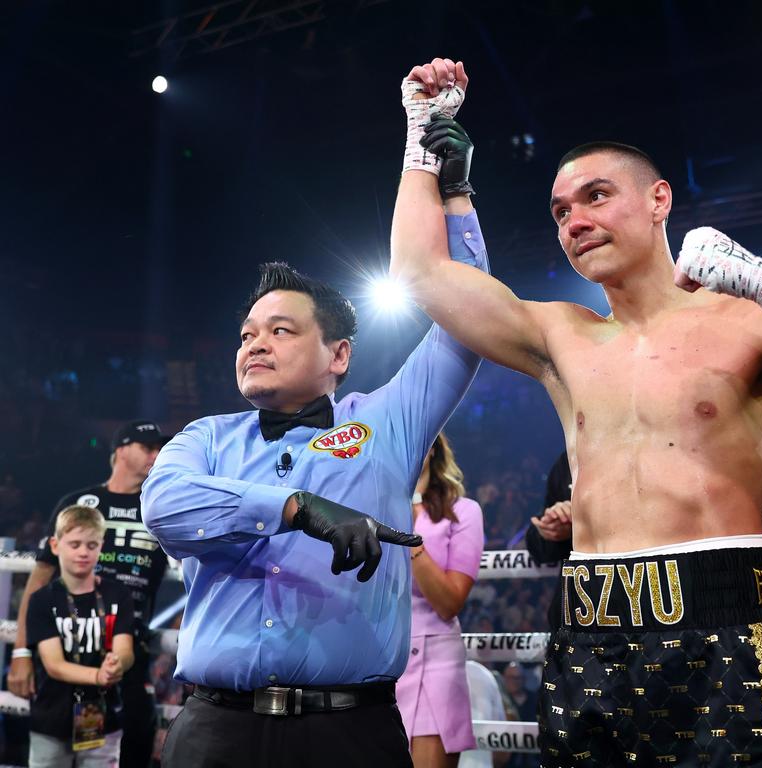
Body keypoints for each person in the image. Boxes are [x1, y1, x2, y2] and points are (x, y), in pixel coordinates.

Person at [391, 57, 762, 766]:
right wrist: (421, 140)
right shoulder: (561, 335)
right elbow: (423, 275)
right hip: (589, 634)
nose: (575, 220)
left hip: (728, 629)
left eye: (596, 196)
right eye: (560, 212)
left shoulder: (746, 319)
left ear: (659, 200)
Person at [141, 198, 489, 767]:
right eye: (247, 333)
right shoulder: (205, 438)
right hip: (214, 731)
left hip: (348, 734)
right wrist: (295, 507)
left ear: (339, 354)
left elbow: (470, 322)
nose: (255, 344)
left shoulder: (386, 423)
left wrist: (455, 202)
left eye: (280, 330)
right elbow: (162, 505)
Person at [10, 420, 170, 768]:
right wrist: (21, 652)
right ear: (120, 451)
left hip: (127, 655)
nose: (156, 455)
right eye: (147, 447)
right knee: (52, 751)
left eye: (160, 449)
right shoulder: (80, 504)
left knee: (128, 752)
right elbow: (38, 583)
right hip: (65, 649)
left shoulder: (162, 510)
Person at [397, 432, 485, 768]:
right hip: (378, 661)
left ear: (432, 448)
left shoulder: (463, 512)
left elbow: (449, 602)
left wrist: (409, 539)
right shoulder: (370, 507)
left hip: (433, 662)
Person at [26, 504, 135, 767]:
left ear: (101, 546)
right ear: (55, 545)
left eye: (91, 545)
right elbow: (54, 665)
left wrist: (116, 665)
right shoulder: (41, 600)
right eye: (74, 544)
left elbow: (125, 650)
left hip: (103, 717)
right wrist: (99, 675)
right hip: (50, 718)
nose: (83, 552)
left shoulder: (117, 595)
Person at [526, 452, 572, 631]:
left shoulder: (655, 448)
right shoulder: (569, 460)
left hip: (641, 609)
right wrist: (550, 529)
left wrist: (582, 521)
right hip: (574, 616)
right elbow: (539, 548)